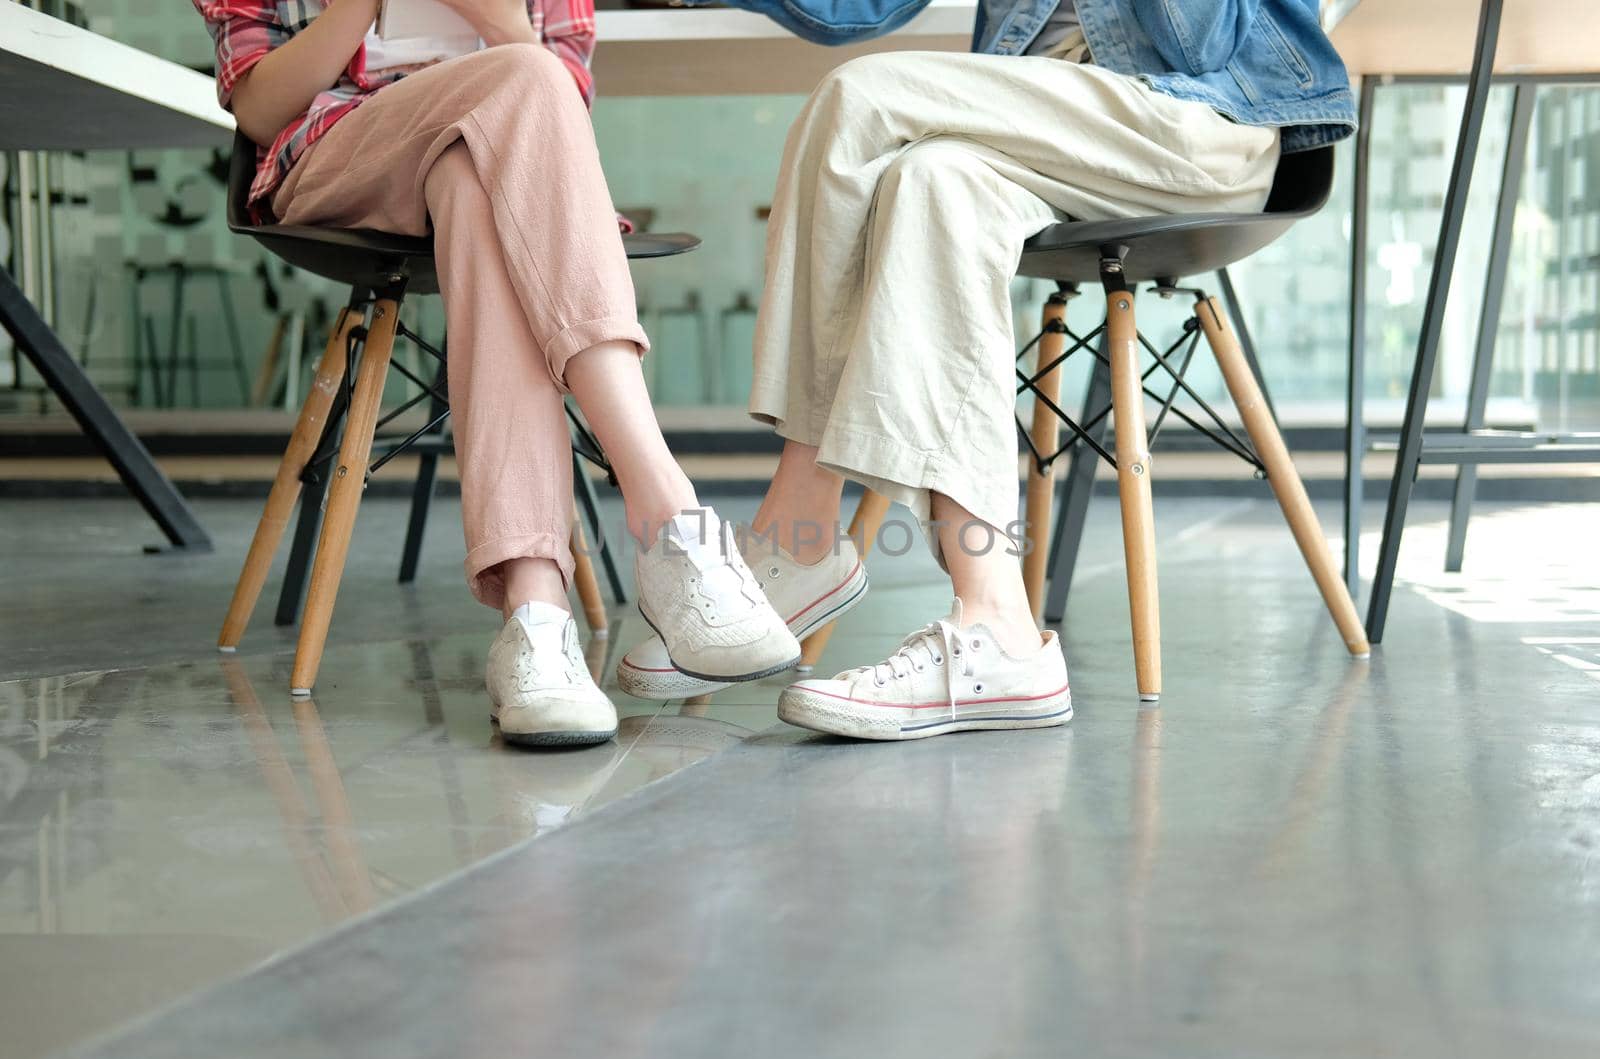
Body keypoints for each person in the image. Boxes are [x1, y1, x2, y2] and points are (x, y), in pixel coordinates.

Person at [620, 0, 1355, 740]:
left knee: (860, 97)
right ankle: (998, 632)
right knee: (934, 181)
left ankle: (799, 533)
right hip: (1041, 123)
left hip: (1200, 120)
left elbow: (1205, 39)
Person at [193, 0, 799, 747]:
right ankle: (668, 517)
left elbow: (562, 117)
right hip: (340, 155)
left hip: (499, 166)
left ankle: (536, 614)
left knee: (473, 180)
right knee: (524, 76)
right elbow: (259, 109)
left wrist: (495, 16)